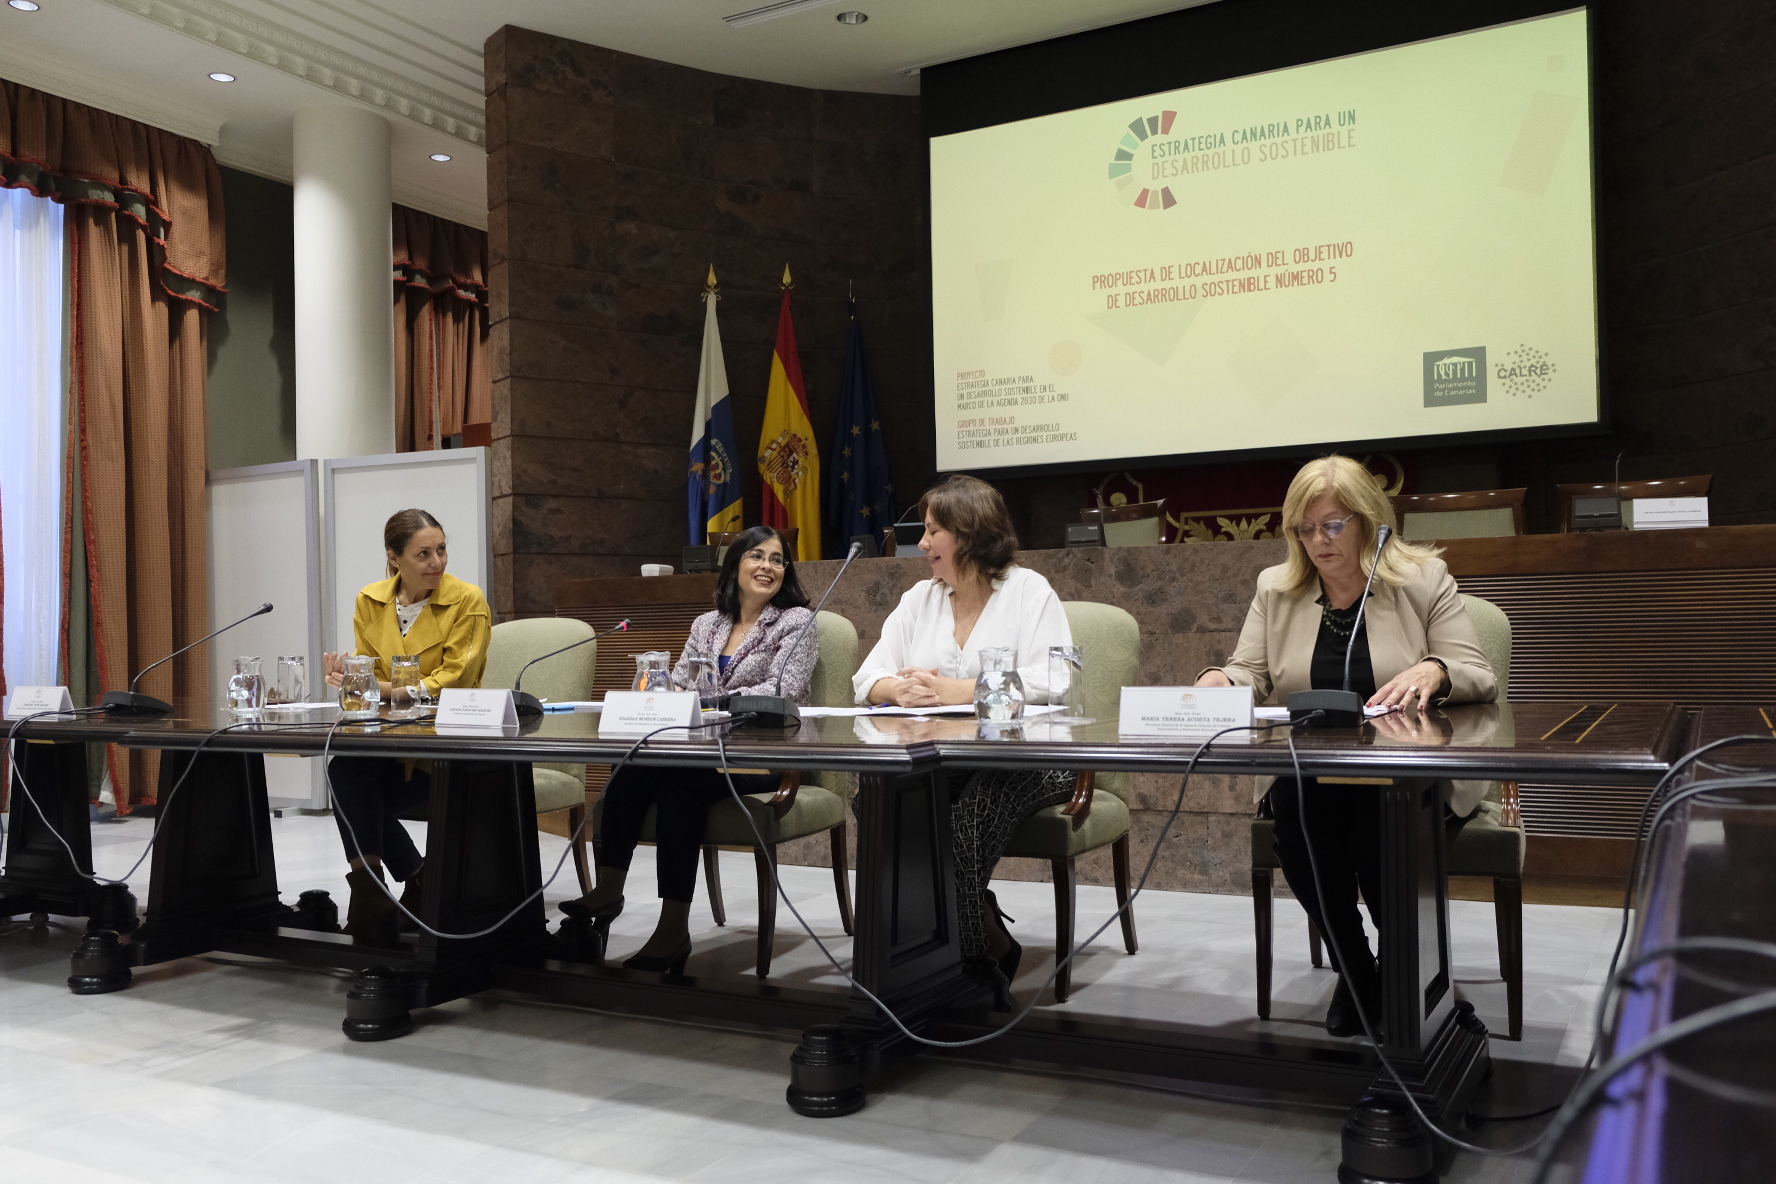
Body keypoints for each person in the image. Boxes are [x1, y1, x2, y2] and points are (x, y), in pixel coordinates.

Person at [1196, 456, 1495, 1036]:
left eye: (1332, 525)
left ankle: (1404, 971)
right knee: (1296, 812)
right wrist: (1219, 681)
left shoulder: (1423, 580)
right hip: (1311, 772)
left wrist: (1435, 670)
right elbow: (1248, 671)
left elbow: (1478, 674)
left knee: (1374, 819)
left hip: (1407, 774)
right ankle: (1358, 969)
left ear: (1369, 522)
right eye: (1305, 529)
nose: (1318, 541)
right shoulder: (1276, 588)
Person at [852, 474, 1074, 1008]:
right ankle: (979, 936)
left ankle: (970, 970)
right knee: (880, 803)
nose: (923, 543)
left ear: (969, 533)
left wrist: (961, 689)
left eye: (934, 531)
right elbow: (866, 678)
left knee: (969, 819)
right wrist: (898, 689)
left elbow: (1057, 679)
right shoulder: (919, 599)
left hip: (1032, 757)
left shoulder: (1029, 591)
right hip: (945, 758)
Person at [560, 525, 817, 972]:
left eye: (777, 559)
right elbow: (678, 682)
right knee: (630, 766)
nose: (768, 567)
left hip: (762, 757)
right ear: (734, 566)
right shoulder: (707, 624)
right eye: (757, 556)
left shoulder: (796, 622)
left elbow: (784, 690)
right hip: (702, 753)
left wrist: (708, 702)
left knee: (682, 787)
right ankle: (610, 889)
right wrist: (665, 693)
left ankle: (673, 927)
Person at [322, 509, 491, 942]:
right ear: (394, 558)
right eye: (423, 554)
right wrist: (351, 679)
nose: (437, 562)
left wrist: (374, 686)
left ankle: (387, 894)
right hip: (393, 745)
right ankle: (376, 890)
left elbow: (456, 680)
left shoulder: (467, 600)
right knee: (346, 769)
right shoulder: (370, 600)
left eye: (441, 550)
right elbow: (369, 679)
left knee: (357, 792)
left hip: (448, 750)